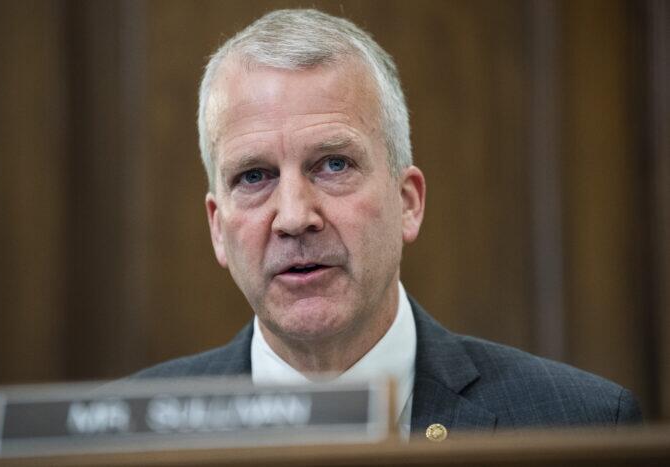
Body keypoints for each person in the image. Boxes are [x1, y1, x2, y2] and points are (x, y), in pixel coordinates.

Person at [133, 8, 642, 437]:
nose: (293, 217)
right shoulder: (127, 439)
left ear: (408, 203)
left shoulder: (579, 425)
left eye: (333, 164)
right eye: (254, 175)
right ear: (218, 228)